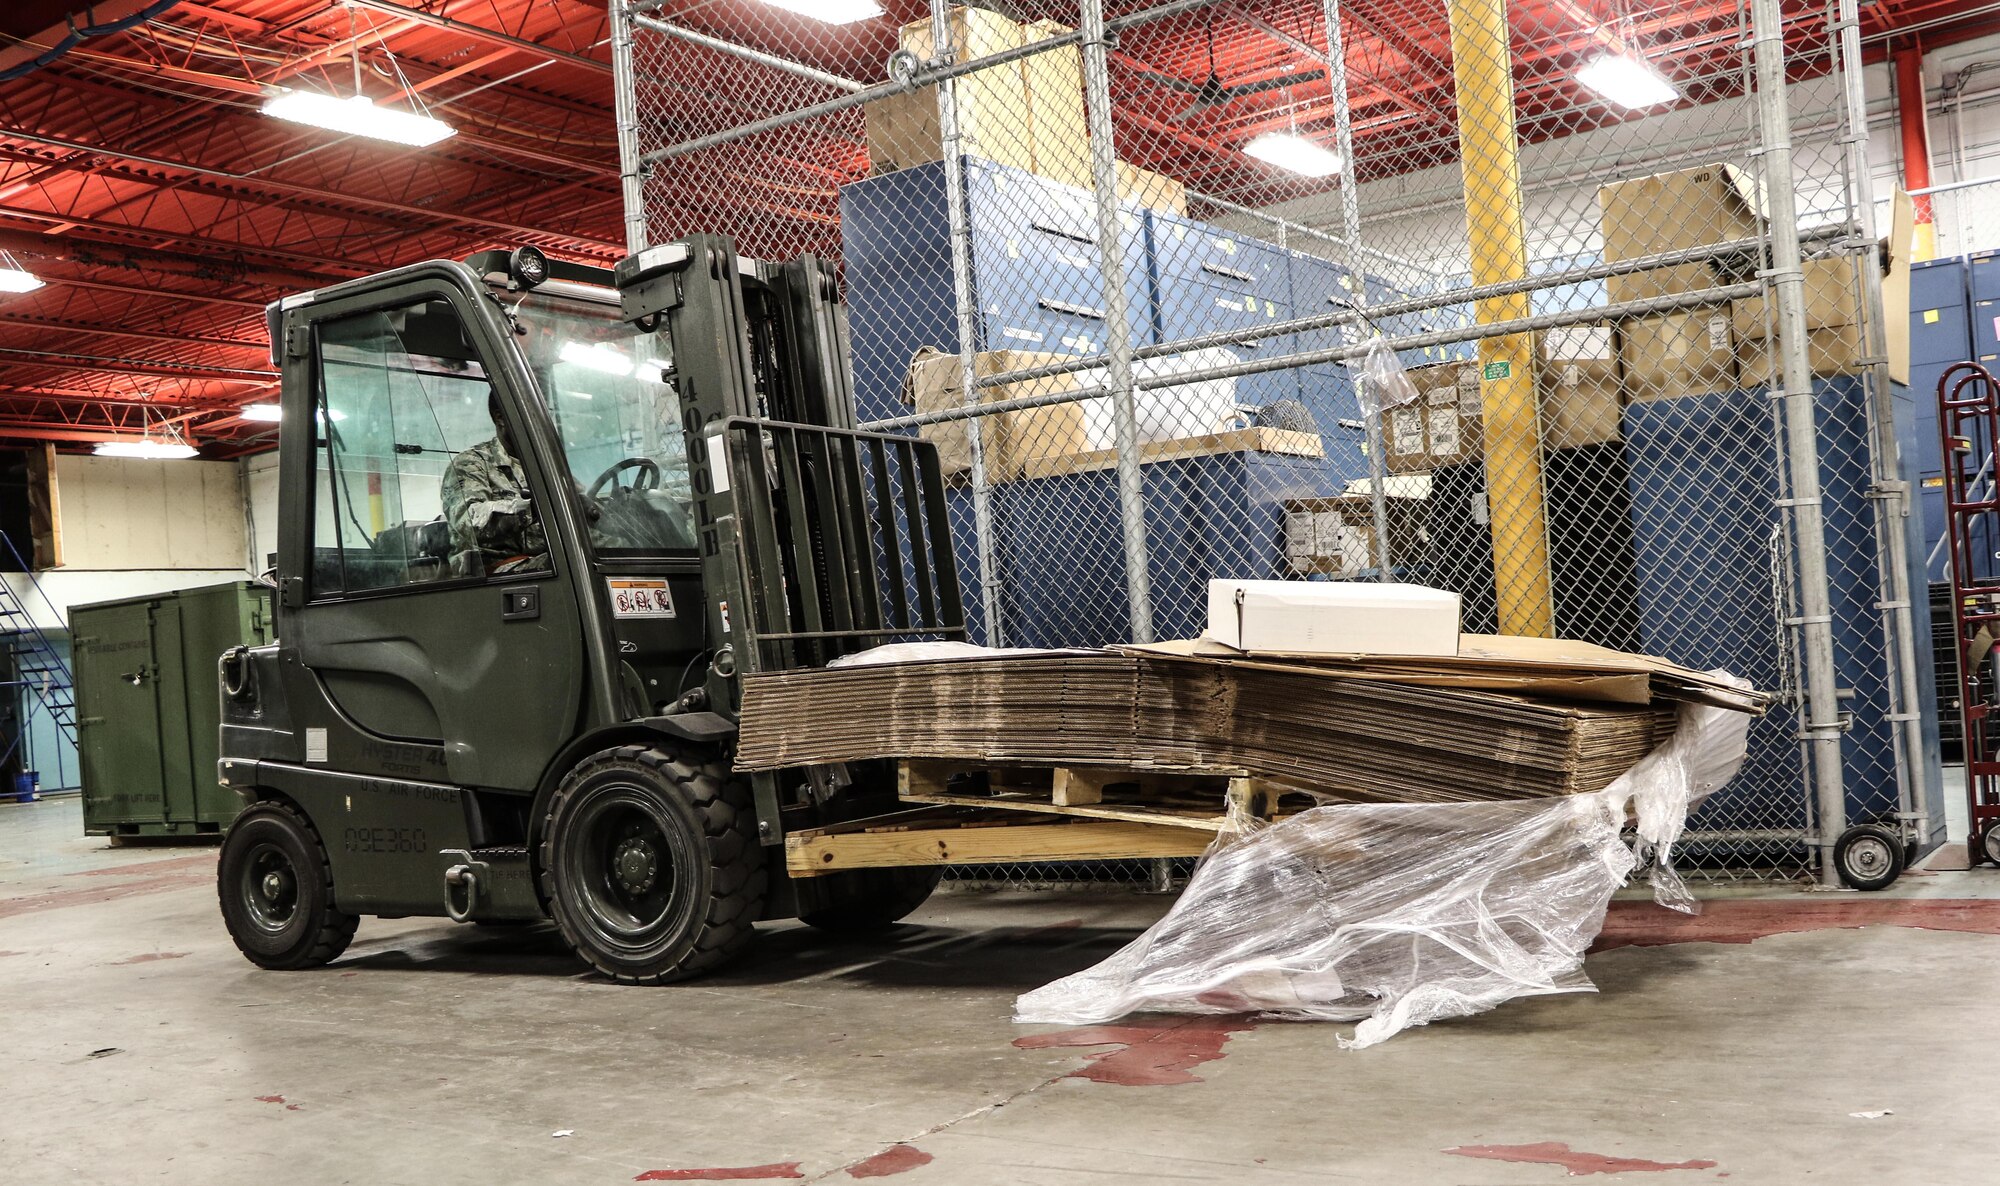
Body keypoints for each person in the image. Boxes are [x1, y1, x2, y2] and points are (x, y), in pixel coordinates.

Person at [441, 391, 550, 576]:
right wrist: (531, 509)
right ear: (500, 418)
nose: (541, 422)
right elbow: (470, 521)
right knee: (565, 566)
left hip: (544, 563)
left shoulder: (546, 469)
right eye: (532, 414)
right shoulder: (471, 463)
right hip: (491, 572)